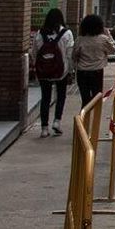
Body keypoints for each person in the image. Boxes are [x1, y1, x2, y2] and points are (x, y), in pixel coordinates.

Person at [32, 8, 74, 137]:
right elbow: (69, 54)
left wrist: (38, 67)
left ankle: (44, 128)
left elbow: (35, 53)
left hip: (44, 72)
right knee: (60, 96)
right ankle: (56, 121)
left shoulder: (40, 34)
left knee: (45, 98)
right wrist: (70, 70)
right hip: (61, 71)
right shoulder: (67, 34)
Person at [73, 14, 115, 106]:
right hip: (97, 72)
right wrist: (108, 35)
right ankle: (94, 118)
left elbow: (74, 56)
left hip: (82, 72)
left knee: (85, 99)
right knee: (96, 98)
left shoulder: (79, 40)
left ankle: (84, 118)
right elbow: (113, 49)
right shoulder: (103, 39)